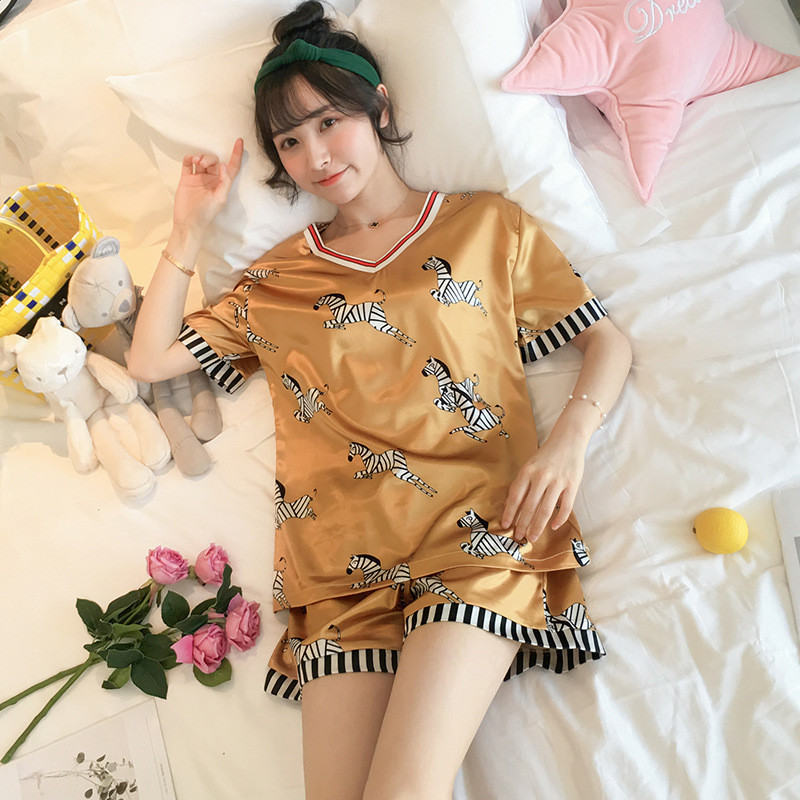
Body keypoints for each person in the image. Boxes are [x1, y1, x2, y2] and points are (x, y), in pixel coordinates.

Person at [128, 2, 633, 798]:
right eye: (290, 143)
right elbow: (148, 358)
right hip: (338, 573)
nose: (315, 156)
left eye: (329, 122)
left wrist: (568, 441)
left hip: (479, 536)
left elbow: (607, 342)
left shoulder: (484, 226)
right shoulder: (277, 279)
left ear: (381, 109)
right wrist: (188, 232)